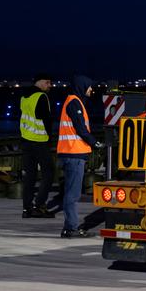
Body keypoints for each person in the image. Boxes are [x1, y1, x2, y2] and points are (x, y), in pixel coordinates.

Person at [58, 75, 102, 238]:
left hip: (72, 153)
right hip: (73, 153)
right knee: (73, 194)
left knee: (71, 192)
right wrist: (94, 142)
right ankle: (71, 228)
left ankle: (69, 227)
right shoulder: (74, 103)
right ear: (82, 86)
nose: (91, 89)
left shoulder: (75, 102)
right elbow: (80, 129)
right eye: (89, 86)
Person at [19, 74, 57, 218]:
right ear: (40, 82)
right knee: (49, 172)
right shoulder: (42, 97)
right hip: (40, 140)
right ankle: (39, 205)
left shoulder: (24, 97)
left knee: (30, 175)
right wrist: (49, 140)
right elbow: (47, 120)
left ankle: (26, 209)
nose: (50, 85)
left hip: (25, 140)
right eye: (48, 82)